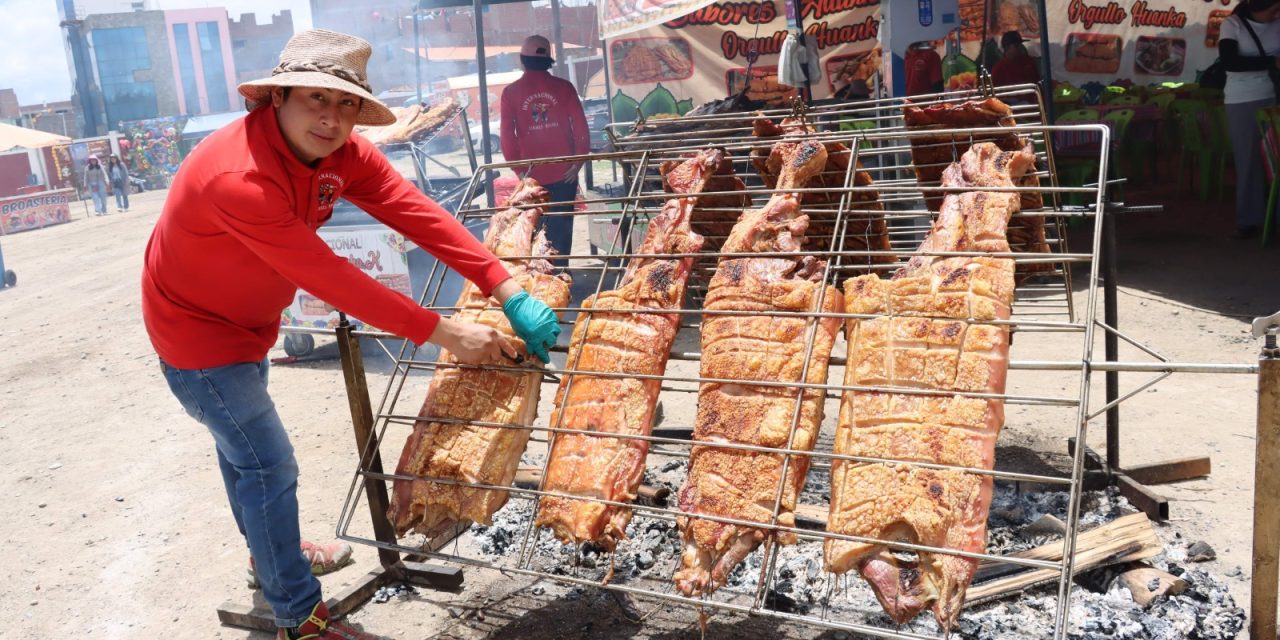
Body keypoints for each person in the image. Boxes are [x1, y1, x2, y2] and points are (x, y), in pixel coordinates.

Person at [141, 29, 561, 640]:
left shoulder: (342, 154)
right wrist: (445, 332)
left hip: (251, 325)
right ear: (277, 97)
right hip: (195, 335)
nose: (332, 118)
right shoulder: (237, 174)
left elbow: (414, 211)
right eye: (317, 98)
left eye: (346, 105)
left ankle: (270, 557)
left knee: (243, 457)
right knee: (266, 463)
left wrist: (505, 286)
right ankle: (300, 617)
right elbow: (329, 276)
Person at [499, 34, 590, 256]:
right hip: (564, 173)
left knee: (533, 230)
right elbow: (581, 128)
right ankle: (561, 276)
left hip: (531, 176)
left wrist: (518, 170)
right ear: (549, 60)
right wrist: (577, 162)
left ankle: (538, 278)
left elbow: (506, 135)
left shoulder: (510, 92)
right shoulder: (564, 87)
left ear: (523, 60)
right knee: (562, 229)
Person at [1220, 0, 1280, 239]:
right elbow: (1230, 62)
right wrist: (1271, 62)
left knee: (1277, 159)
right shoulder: (1232, 24)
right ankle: (1249, 219)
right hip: (1241, 98)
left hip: (1273, 96)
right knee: (1248, 159)